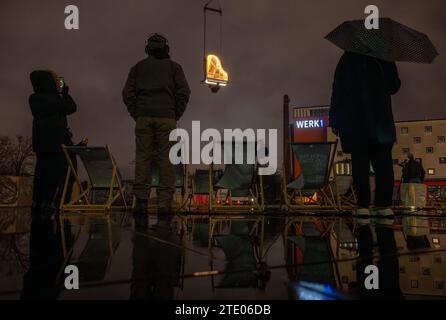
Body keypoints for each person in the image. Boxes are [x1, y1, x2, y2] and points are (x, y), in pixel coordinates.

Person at [122, 34, 191, 226]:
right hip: (167, 119)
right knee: (166, 161)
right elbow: (184, 92)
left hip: (144, 118)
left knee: (143, 158)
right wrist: (174, 113)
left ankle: (141, 203)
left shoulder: (137, 68)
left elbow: (127, 93)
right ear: (166, 49)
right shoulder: (174, 68)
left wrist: (137, 113)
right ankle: (164, 204)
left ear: (148, 49)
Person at [329, 51, 401, 217]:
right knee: (381, 164)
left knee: (363, 165)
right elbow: (394, 86)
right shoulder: (381, 56)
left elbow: (337, 89)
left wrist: (335, 119)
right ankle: (381, 205)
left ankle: (364, 205)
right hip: (376, 119)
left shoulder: (348, 58)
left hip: (358, 121)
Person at [29, 70, 78, 219]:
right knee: (53, 174)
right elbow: (71, 107)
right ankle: (47, 203)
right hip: (56, 143)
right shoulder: (55, 99)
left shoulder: (34, 98)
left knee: (41, 173)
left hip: (41, 143)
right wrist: (65, 93)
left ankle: (37, 202)